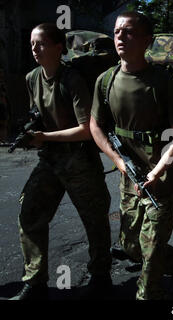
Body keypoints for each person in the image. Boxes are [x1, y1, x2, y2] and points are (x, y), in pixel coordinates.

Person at [90, 11, 173, 300]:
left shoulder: (164, 81)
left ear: (147, 41)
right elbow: (95, 125)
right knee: (132, 246)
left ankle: (150, 292)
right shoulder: (106, 80)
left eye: (129, 32)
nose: (121, 36)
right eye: (118, 31)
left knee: (152, 251)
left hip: (162, 175)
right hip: (129, 174)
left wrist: (157, 172)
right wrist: (117, 160)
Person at [10, 23, 112, 300]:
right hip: (51, 159)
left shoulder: (72, 80)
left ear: (59, 48)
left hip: (79, 160)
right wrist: (31, 130)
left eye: (41, 43)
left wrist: (44, 136)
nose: (34, 49)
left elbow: (86, 128)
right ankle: (35, 282)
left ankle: (101, 278)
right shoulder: (33, 77)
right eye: (32, 44)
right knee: (29, 214)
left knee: (94, 221)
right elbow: (39, 113)